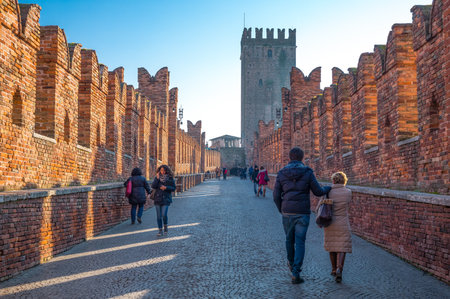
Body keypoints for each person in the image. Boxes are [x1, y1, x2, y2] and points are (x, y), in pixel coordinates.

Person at [273, 147, 331, 284]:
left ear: (289, 157)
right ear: (301, 158)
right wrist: (328, 188)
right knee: (300, 242)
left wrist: (281, 208)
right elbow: (318, 191)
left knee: (289, 240)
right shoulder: (307, 172)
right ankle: (296, 272)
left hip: (287, 211)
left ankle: (291, 263)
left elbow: (276, 195)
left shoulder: (281, 173)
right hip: (302, 212)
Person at [317, 171, 352, 283]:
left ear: (333, 180)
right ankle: (339, 268)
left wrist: (319, 221)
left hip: (329, 221)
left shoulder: (328, 191)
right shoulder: (348, 192)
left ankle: (333, 269)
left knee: (332, 246)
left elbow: (319, 206)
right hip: (343, 221)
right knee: (343, 246)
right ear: (344, 181)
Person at [151, 165, 176, 236]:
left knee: (164, 214)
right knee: (159, 216)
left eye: (164, 170)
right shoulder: (157, 178)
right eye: (161, 170)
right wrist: (157, 178)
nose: (163, 172)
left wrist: (166, 187)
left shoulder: (170, 178)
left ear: (167, 171)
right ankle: (160, 230)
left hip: (166, 199)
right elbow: (153, 186)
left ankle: (165, 226)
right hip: (157, 198)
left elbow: (173, 188)